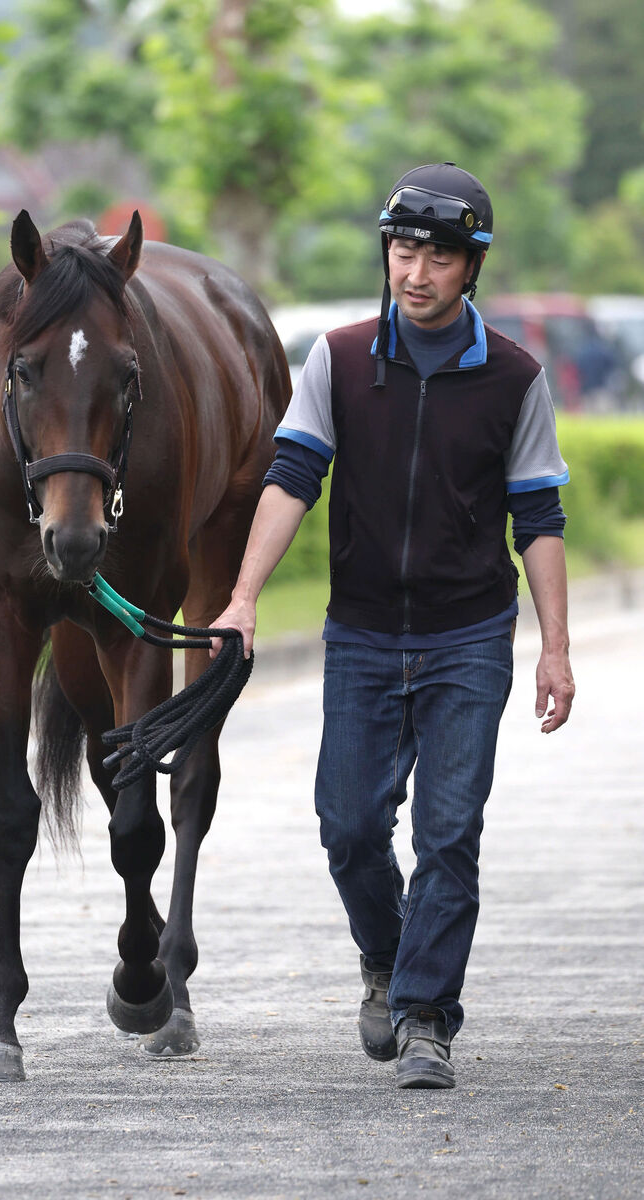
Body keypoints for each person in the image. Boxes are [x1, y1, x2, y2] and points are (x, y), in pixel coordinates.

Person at [211, 162, 575, 1090]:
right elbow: (291, 478)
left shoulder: (513, 377)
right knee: (347, 826)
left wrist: (555, 650)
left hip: (468, 638)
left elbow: (536, 519)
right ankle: (385, 955)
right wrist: (244, 598)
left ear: (471, 269)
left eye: (439, 256)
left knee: (450, 831)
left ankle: (424, 1017)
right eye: (403, 250)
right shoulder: (335, 358)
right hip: (363, 636)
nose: (416, 272)